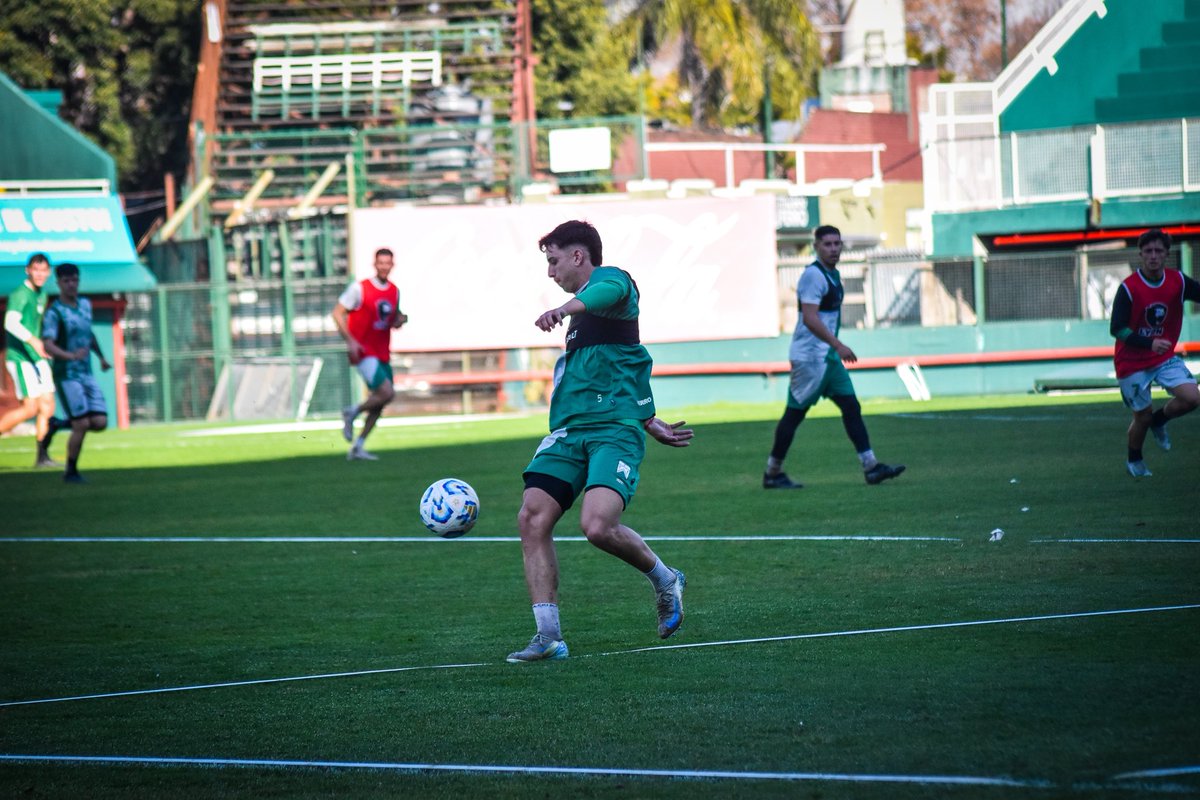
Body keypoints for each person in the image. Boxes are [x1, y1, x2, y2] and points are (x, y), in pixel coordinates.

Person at [506, 220, 693, 664]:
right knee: (531, 519)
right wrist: (650, 417)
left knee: (597, 526)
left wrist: (566, 308)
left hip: (613, 433)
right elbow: (616, 367)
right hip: (569, 432)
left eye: (553, 261)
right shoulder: (582, 317)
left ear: (577, 256)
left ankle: (665, 579)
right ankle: (548, 637)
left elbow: (603, 293)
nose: (550, 273)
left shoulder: (613, 283)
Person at [763, 225, 905, 489]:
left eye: (837, 244)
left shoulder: (833, 274)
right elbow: (810, 317)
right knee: (794, 415)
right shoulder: (813, 276)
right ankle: (772, 473)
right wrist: (838, 344)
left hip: (827, 357)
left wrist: (833, 349)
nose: (833, 249)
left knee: (851, 406)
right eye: (827, 244)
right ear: (816, 246)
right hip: (810, 358)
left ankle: (871, 466)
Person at [1110, 228, 1200, 477]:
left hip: (1162, 358)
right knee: (1142, 417)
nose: (1153, 255)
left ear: (1166, 255)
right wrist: (1148, 343)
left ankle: (1161, 419)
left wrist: (1156, 347)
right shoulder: (1129, 288)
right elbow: (1117, 329)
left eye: (1158, 251)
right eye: (1148, 251)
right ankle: (1135, 460)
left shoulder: (1178, 281)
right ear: (1140, 254)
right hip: (1131, 362)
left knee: (1192, 398)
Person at [332, 247, 407, 461]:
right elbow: (337, 312)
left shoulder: (394, 291)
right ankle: (352, 411)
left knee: (380, 401)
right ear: (375, 264)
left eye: (388, 263)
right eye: (381, 262)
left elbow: (391, 319)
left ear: (392, 265)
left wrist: (400, 320)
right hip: (365, 351)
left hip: (382, 350)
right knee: (387, 392)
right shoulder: (360, 288)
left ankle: (358, 445)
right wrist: (351, 341)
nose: (384, 266)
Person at [41, 263, 111, 484]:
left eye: (75, 280)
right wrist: (68, 356)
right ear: (59, 283)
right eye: (67, 281)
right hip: (67, 374)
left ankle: (58, 425)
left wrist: (100, 357)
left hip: (86, 373)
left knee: (99, 422)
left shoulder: (85, 305)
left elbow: (88, 334)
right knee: (81, 424)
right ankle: (71, 471)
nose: (72, 285)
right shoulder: (55, 312)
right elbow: (48, 345)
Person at [1, 253, 65, 467]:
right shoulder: (21, 294)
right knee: (30, 408)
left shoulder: (42, 294)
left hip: (37, 358)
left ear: (48, 272)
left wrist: (45, 344)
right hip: (21, 358)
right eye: (35, 269)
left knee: (48, 405)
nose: (39, 274)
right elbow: (10, 323)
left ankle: (42, 457)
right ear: (27, 270)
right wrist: (33, 341)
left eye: (43, 270)